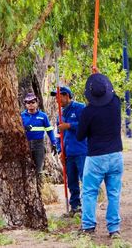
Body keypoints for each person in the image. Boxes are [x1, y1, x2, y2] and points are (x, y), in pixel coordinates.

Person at [76, 74, 123, 239]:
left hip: (96, 157)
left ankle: (88, 226)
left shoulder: (88, 112)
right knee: (114, 193)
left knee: (89, 192)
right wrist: (99, 75)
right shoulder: (116, 104)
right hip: (116, 155)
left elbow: (80, 136)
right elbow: (113, 92)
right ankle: (114, 229)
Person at [50, 86, 87, 216]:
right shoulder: (60, 114)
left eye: (59, 96)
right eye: (56, 97)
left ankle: (86, 207)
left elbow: (86, 125)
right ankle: (75, 206)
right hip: (68, 152)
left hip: (81, 150)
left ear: (67, 96)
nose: (57, 99)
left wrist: (70, 126)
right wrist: (60, 151)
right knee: (71, 181)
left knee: (85, 179)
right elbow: (58, 134)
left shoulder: (80, 108)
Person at [20, 92, 57, 174]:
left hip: (39, 145)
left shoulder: (43, 116)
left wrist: (54, 143)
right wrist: (23, 129)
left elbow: (49, 130)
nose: (31, 104)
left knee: (38, 170)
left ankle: (39, 186)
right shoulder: (21, 116)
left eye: (33, 102)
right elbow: (17, 130)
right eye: (28, 102)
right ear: (25, 104)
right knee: (26, 170)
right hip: (25, 145)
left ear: (37, 103)